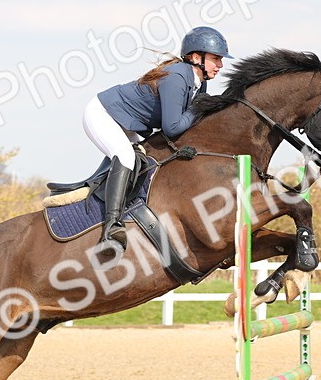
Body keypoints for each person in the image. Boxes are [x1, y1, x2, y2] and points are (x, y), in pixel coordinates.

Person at [84, 26, 231, 251]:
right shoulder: (178, 77)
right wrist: (199, 107)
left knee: (143, 160)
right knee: (125, 156)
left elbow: (187, 124)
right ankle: (112, 227)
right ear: (195, 57)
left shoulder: (200, 82)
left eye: (220, 59)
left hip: (126, 123)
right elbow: (172, 127)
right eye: (216, 59)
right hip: (103, 114)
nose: (220, 65)